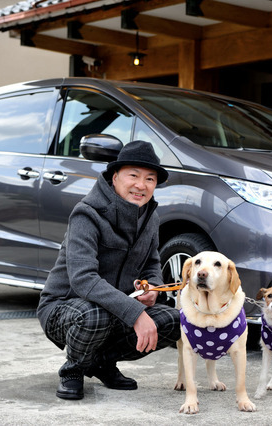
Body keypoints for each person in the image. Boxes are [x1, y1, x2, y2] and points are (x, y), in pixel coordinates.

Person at [37, 140, 180, 400]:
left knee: (173, 321)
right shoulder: (86, 214)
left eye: (150, 178)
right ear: (115, 177)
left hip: (116, 306)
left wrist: (151, 287)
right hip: (64, 307)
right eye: (133, 175)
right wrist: (136, 314)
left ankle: (98, 361)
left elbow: (152, 263)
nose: (141, 185)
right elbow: (83, 279)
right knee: (95, 315)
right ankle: (73, 369)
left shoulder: (150, 216)